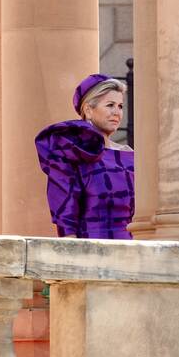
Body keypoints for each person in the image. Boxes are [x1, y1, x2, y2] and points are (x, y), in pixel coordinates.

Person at [35, 74, 135, 239]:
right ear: (88, 110)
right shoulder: (73, 152)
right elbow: (65, 212)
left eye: (120, 106)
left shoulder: (129, 154)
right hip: (92, 249)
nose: (117, 112)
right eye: (110, 105)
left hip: (134, 249)